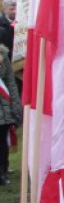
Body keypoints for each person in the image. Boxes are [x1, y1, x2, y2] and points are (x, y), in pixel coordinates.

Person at [0, 38, 21, 185]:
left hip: (3, 105)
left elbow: (10, 81)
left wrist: (15, 104)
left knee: (2, 141)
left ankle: (3, 171)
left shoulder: (2, 53)